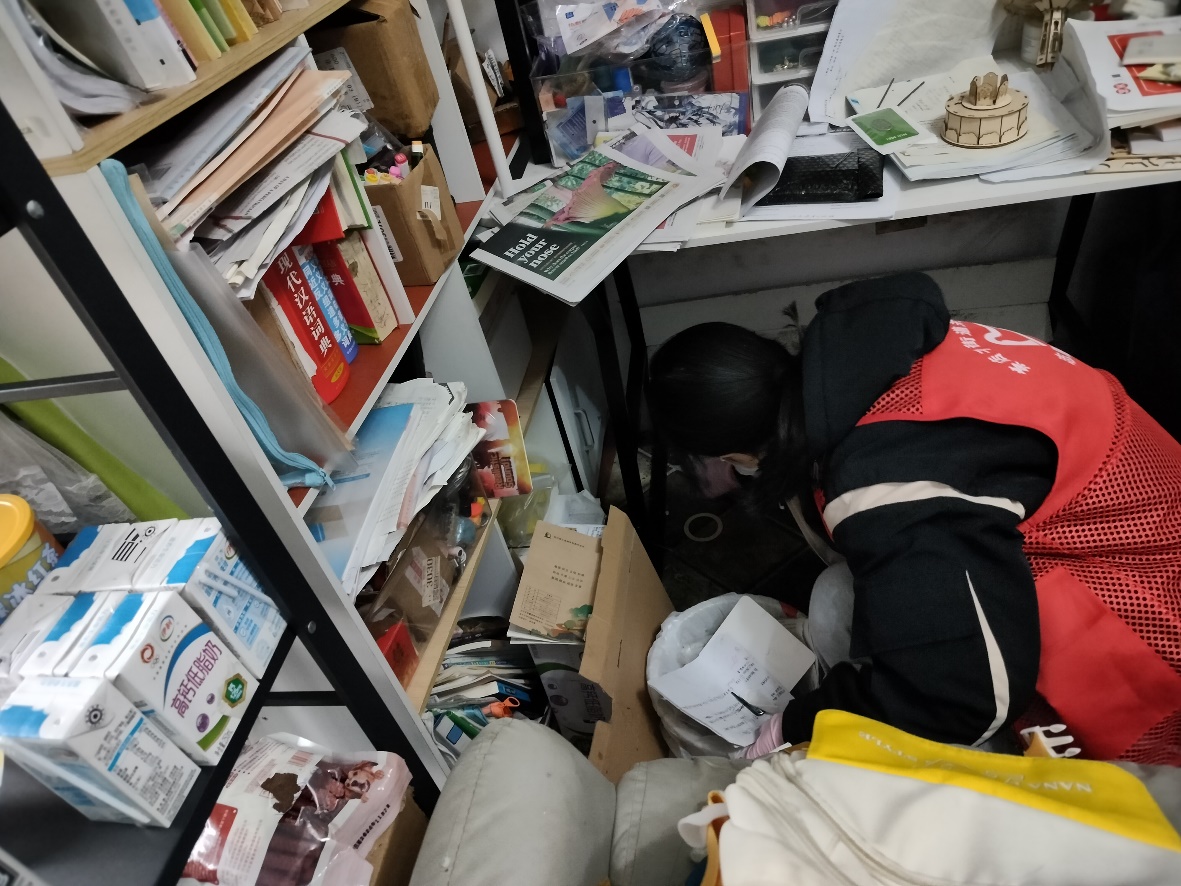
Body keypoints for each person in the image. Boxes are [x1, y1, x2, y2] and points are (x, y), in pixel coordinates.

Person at [648, 272, 1181, 764]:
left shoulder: (885, 479)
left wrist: (801, 724)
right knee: (840, 594)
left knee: (943, 720)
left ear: (736, 456)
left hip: (1145, 602)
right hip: (1129, 499)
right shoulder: (868, 349)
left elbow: (964, 698)